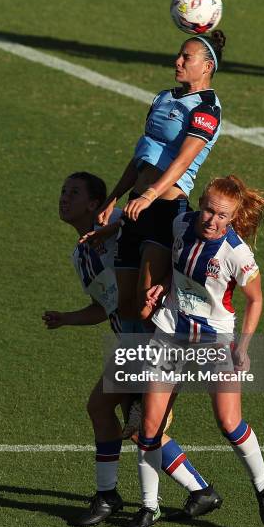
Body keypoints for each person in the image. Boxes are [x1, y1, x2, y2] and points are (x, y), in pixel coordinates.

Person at [42, 171, 222, 527]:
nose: (64, 198)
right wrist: (67, 318)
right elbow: (104, 305)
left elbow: (156, 263)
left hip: (151, 341)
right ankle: (200, 491)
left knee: (106, 410)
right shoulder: (80, 255)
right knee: (139, 429)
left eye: (73, 193)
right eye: (63, 191)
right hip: (129, 343)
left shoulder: (121, 232)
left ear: (96, 204)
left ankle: (109, 496)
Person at [124, 175, 264, 527]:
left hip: (215, 340)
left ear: (234, 217)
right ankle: (150, 507)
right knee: (149, 427)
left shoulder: (238, 255)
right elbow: (179, 271)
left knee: (229, 423)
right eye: (208, 210)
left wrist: (243, 346)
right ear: (200, 205)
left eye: (222, 216)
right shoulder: (181, 224)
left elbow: (255, 299)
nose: (211, 220)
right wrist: (161, 288)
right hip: (171, 333)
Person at [96, 31, 226, 326]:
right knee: (125, 305)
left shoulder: (206, 109)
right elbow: (142, 155)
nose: (177, 61)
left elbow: (182, 161)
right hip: (135, 207)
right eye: (179, 54)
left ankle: (160, 370)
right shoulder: (163, 97)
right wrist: (114, 197)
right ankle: (135, 367)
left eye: (186, 57)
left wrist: (150, 195)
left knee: (147, 307)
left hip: (165, 211)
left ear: (207, 67)